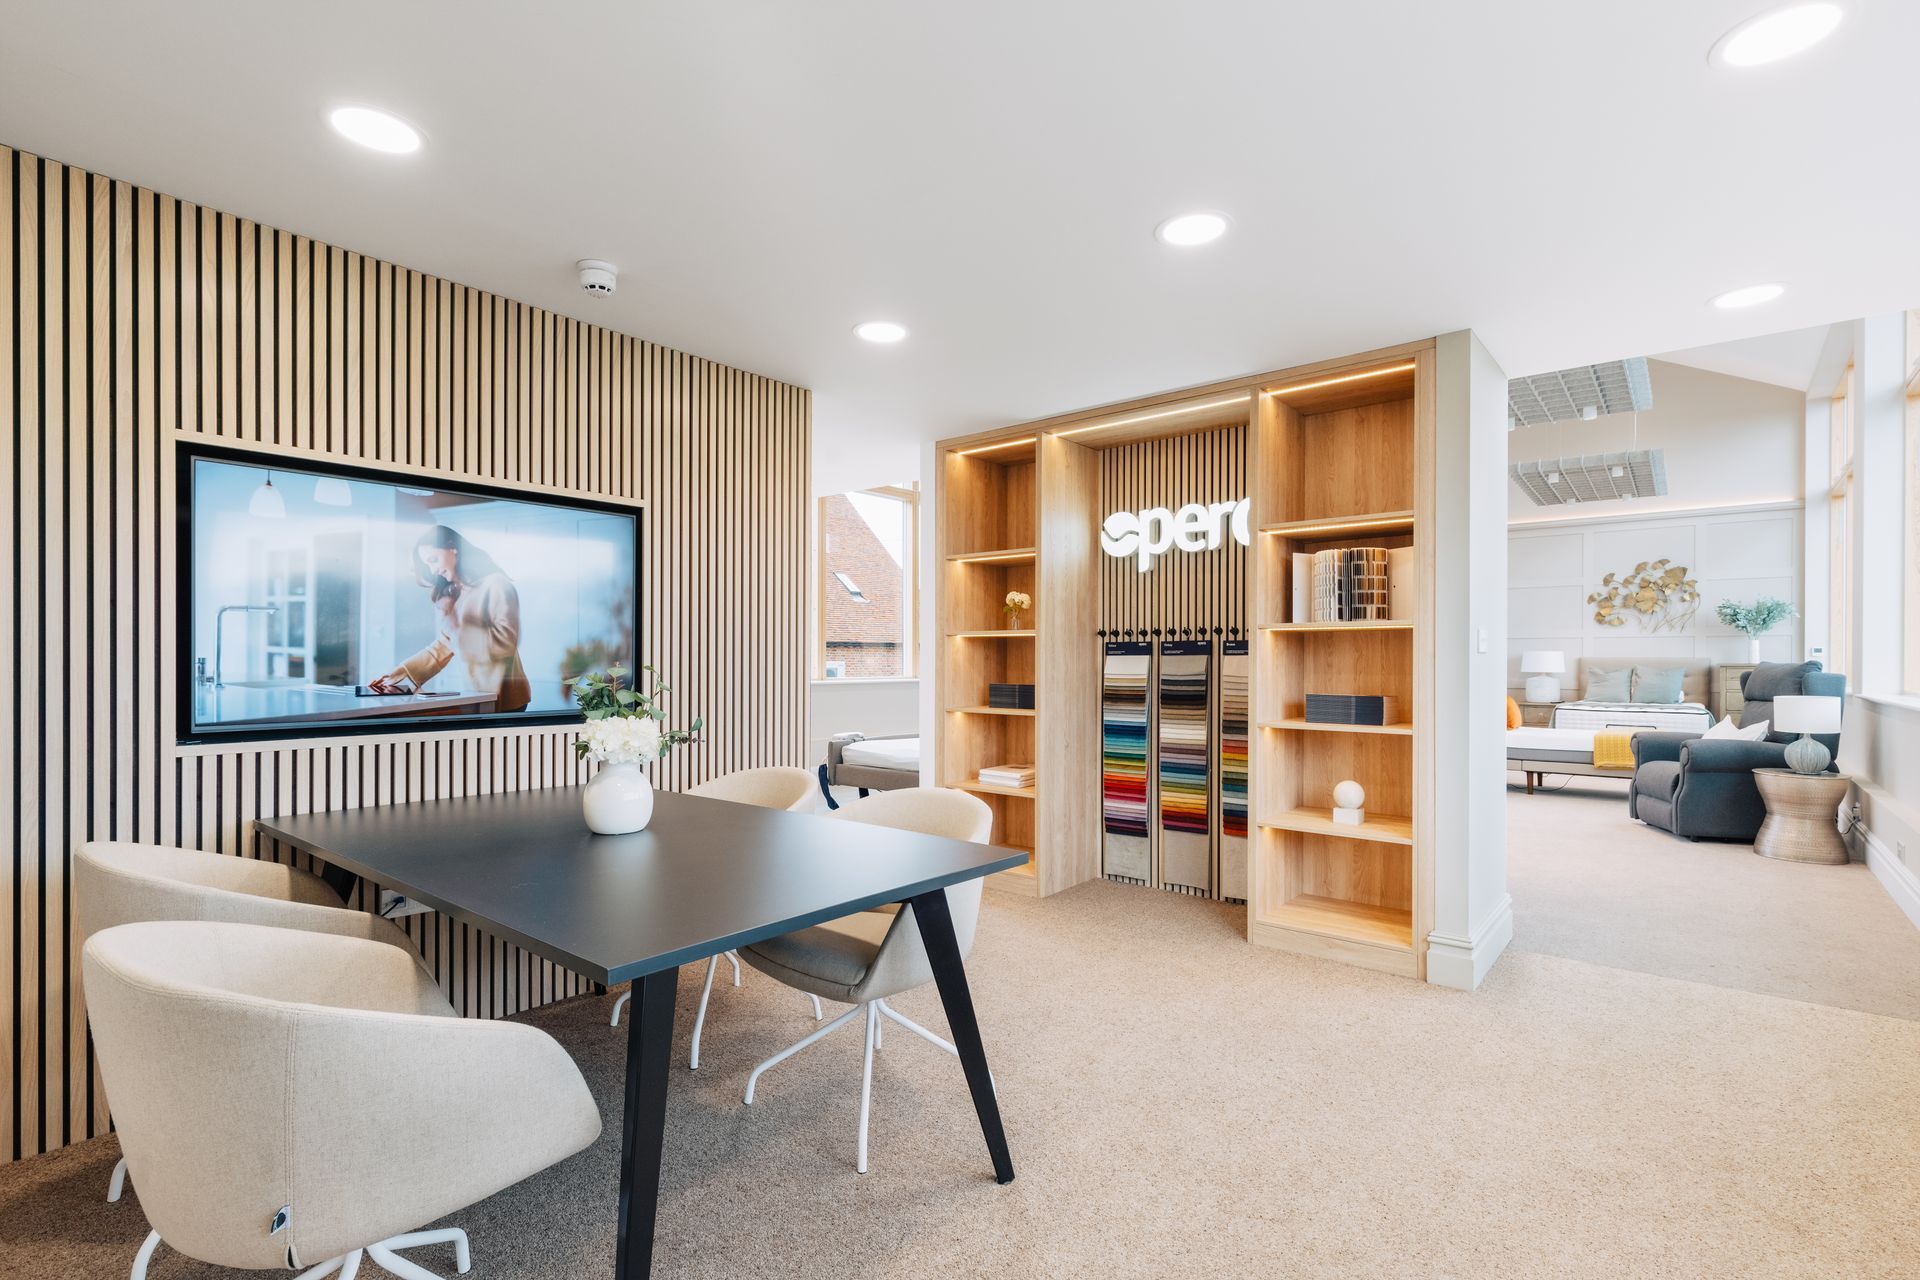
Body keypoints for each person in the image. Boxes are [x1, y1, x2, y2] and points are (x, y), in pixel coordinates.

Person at [371, 526, 531, 712]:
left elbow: (506, 643)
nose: (433, 569)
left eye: (434, 560)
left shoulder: (496, 584)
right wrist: (401, 672)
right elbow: (445, 644)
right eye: (428, 564)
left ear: (452, 548)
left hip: (507, 699)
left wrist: (457, 628)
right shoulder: (458, 591)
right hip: (477, 694)